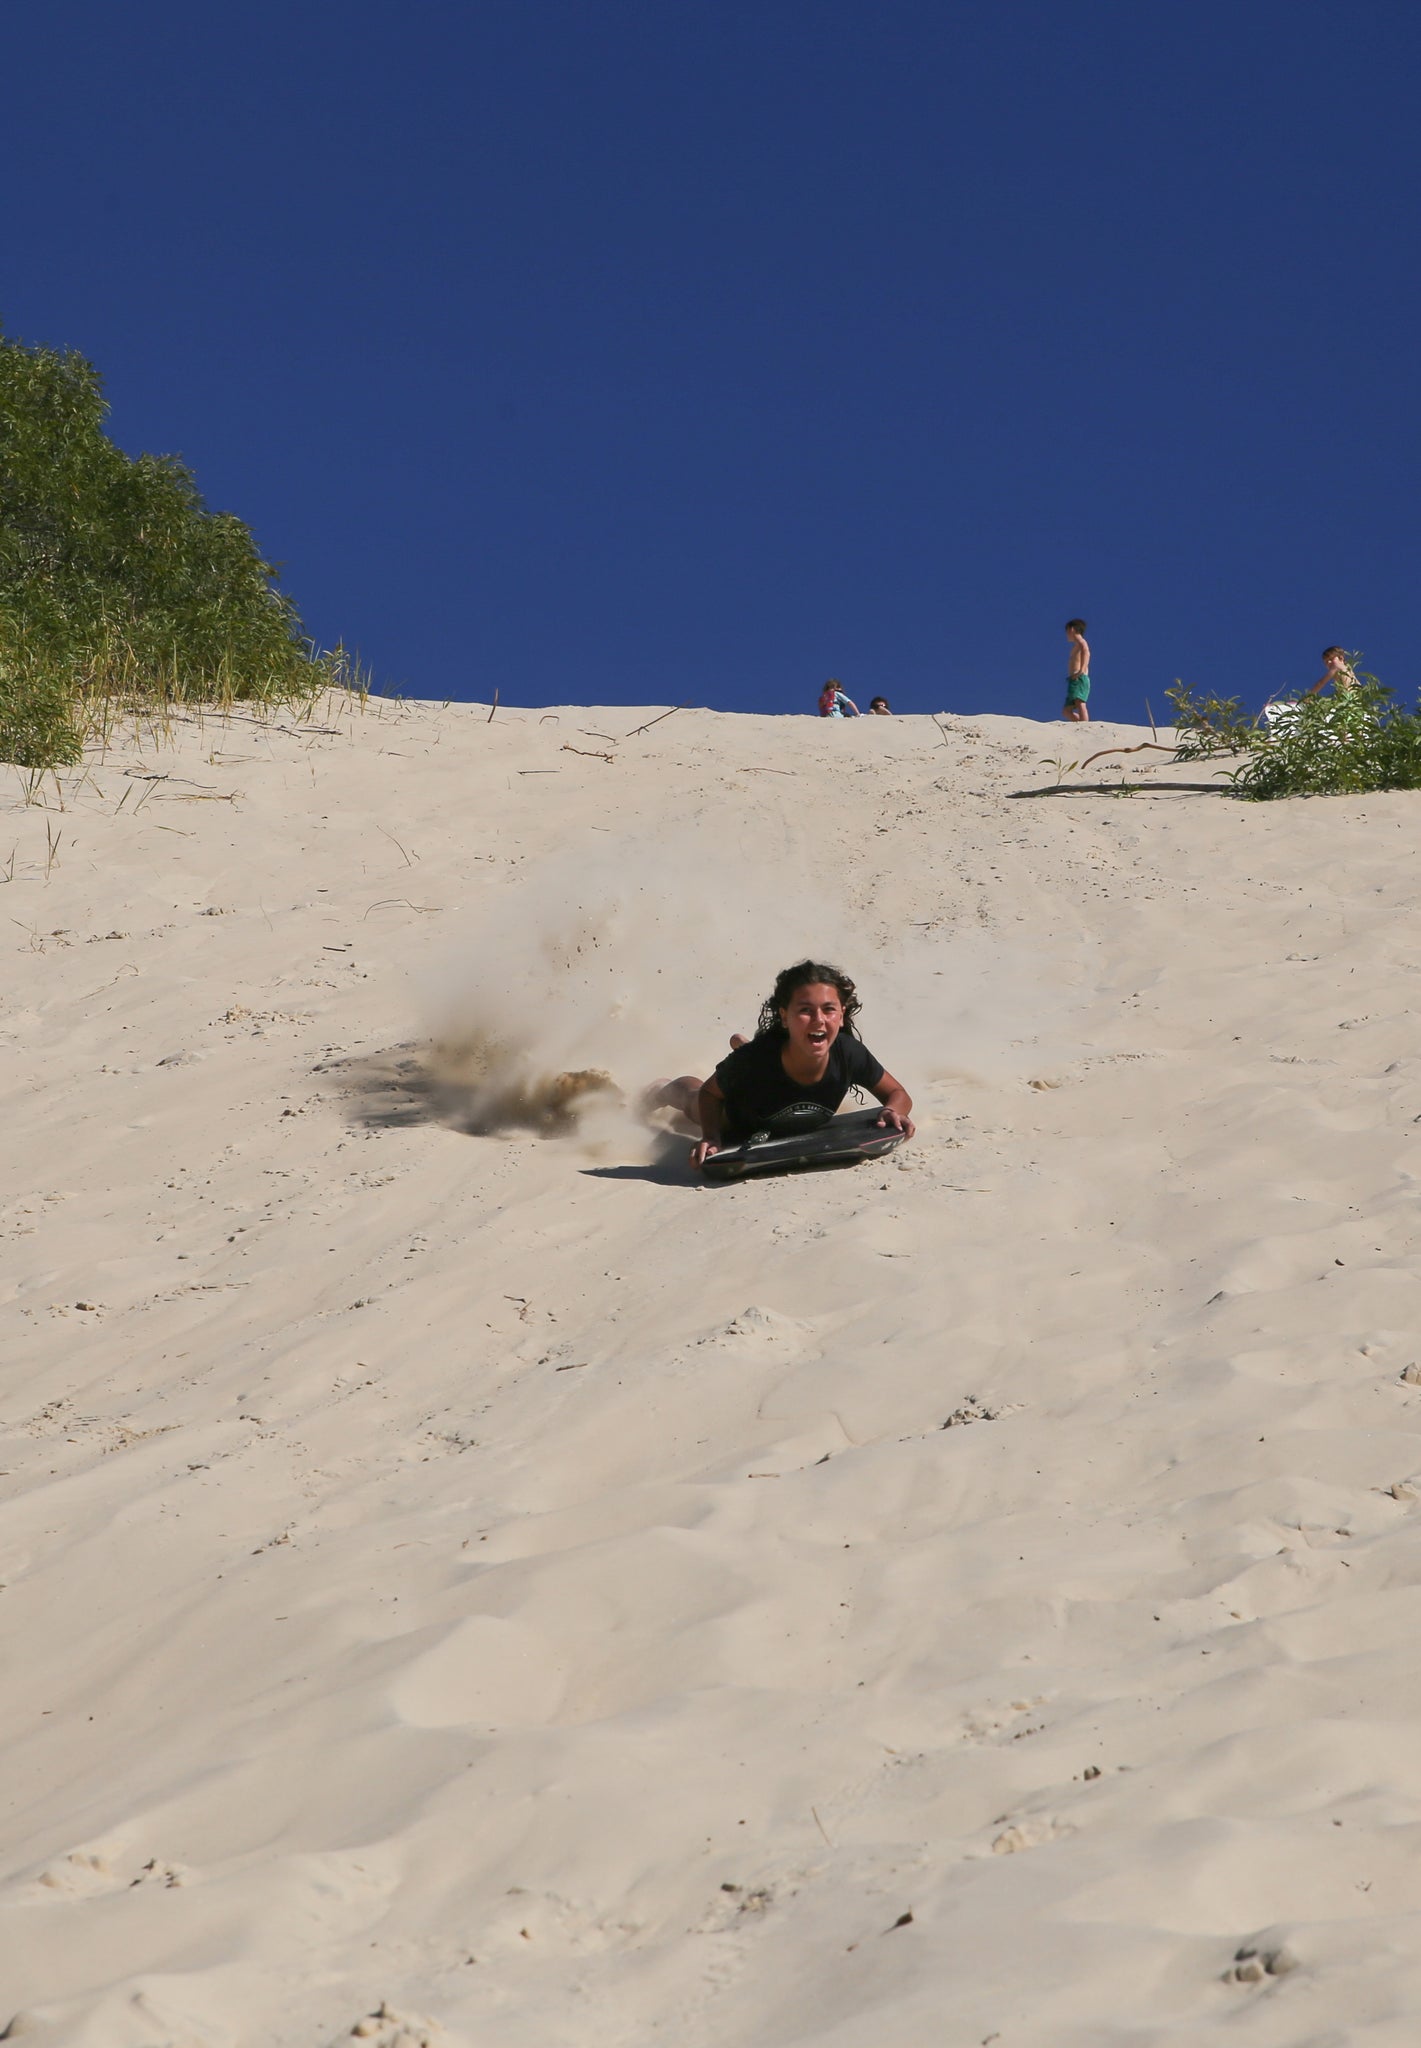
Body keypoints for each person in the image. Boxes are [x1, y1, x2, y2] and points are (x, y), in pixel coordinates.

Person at [650, 960, 914, 1173]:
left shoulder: (848, 1053)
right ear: (784, 1017)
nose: (819, 1020)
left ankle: (744, 1047)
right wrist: (711, 1135)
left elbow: (898, 1094)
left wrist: (893, 1110)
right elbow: (709, 1093)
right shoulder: (757, 1060)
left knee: (756, 1058)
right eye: (805, 1010)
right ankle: (662, 1089)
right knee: (692, 1099)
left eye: (829, 1009)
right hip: (735, 1118)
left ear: (842, 1015)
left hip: (764, 1062)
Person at [1062, 620, 1091, 722]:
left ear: (1072, 629)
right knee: (1066, 711)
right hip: (1073, 679)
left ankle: (1085, 726)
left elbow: (1086, 652)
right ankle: (1081, 723)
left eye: (1067, 631)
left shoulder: (1082, 642)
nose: (1066, 635)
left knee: (1080, 702)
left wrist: (1082, 670)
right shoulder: (1075, 646)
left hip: (1079, 677)